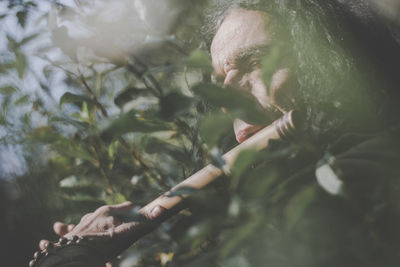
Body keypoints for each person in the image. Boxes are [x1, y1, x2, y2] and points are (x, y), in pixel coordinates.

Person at [31, 0, 400, 266]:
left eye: (255, 62)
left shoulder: (373, 165)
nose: (224, 99)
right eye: (219, 81)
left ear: (334, 63)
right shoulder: (254, 212)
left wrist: (76, 256)